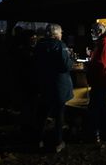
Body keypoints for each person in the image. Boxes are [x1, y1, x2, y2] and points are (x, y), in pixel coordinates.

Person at [34, 23, 73, 153]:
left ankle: (38, 140)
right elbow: (66, 66)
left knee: (42, 114)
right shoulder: (60, 46)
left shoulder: (39, 46)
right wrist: (71, 59)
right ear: (56, 34)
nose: (62, 35)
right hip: (58, 86)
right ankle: (58, 142)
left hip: (44, 85)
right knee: (59, 115)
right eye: (61, 32)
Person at [86, 23, 106, 142]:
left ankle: (98, 133)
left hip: (100, 81)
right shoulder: (101, 42)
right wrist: (91, 55)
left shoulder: (104, 42)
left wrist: (89, 65)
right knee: (101, 107)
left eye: (93, 31)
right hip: (99, 81)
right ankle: (103, 133)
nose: (92, 33)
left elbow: (101, 63)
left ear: (100, 31)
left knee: (97, 108)